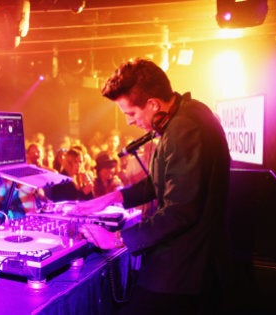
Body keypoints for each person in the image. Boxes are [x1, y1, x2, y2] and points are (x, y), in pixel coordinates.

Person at [74, 58, 231, 314]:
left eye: (131, 113)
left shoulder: (184, 129)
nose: (129, 122)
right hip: (187, 267)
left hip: (182, 272)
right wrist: (113, 197)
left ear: (153, 104)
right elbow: (165, 180)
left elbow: (180, 211)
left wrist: (116, 239)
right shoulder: (188, 113)